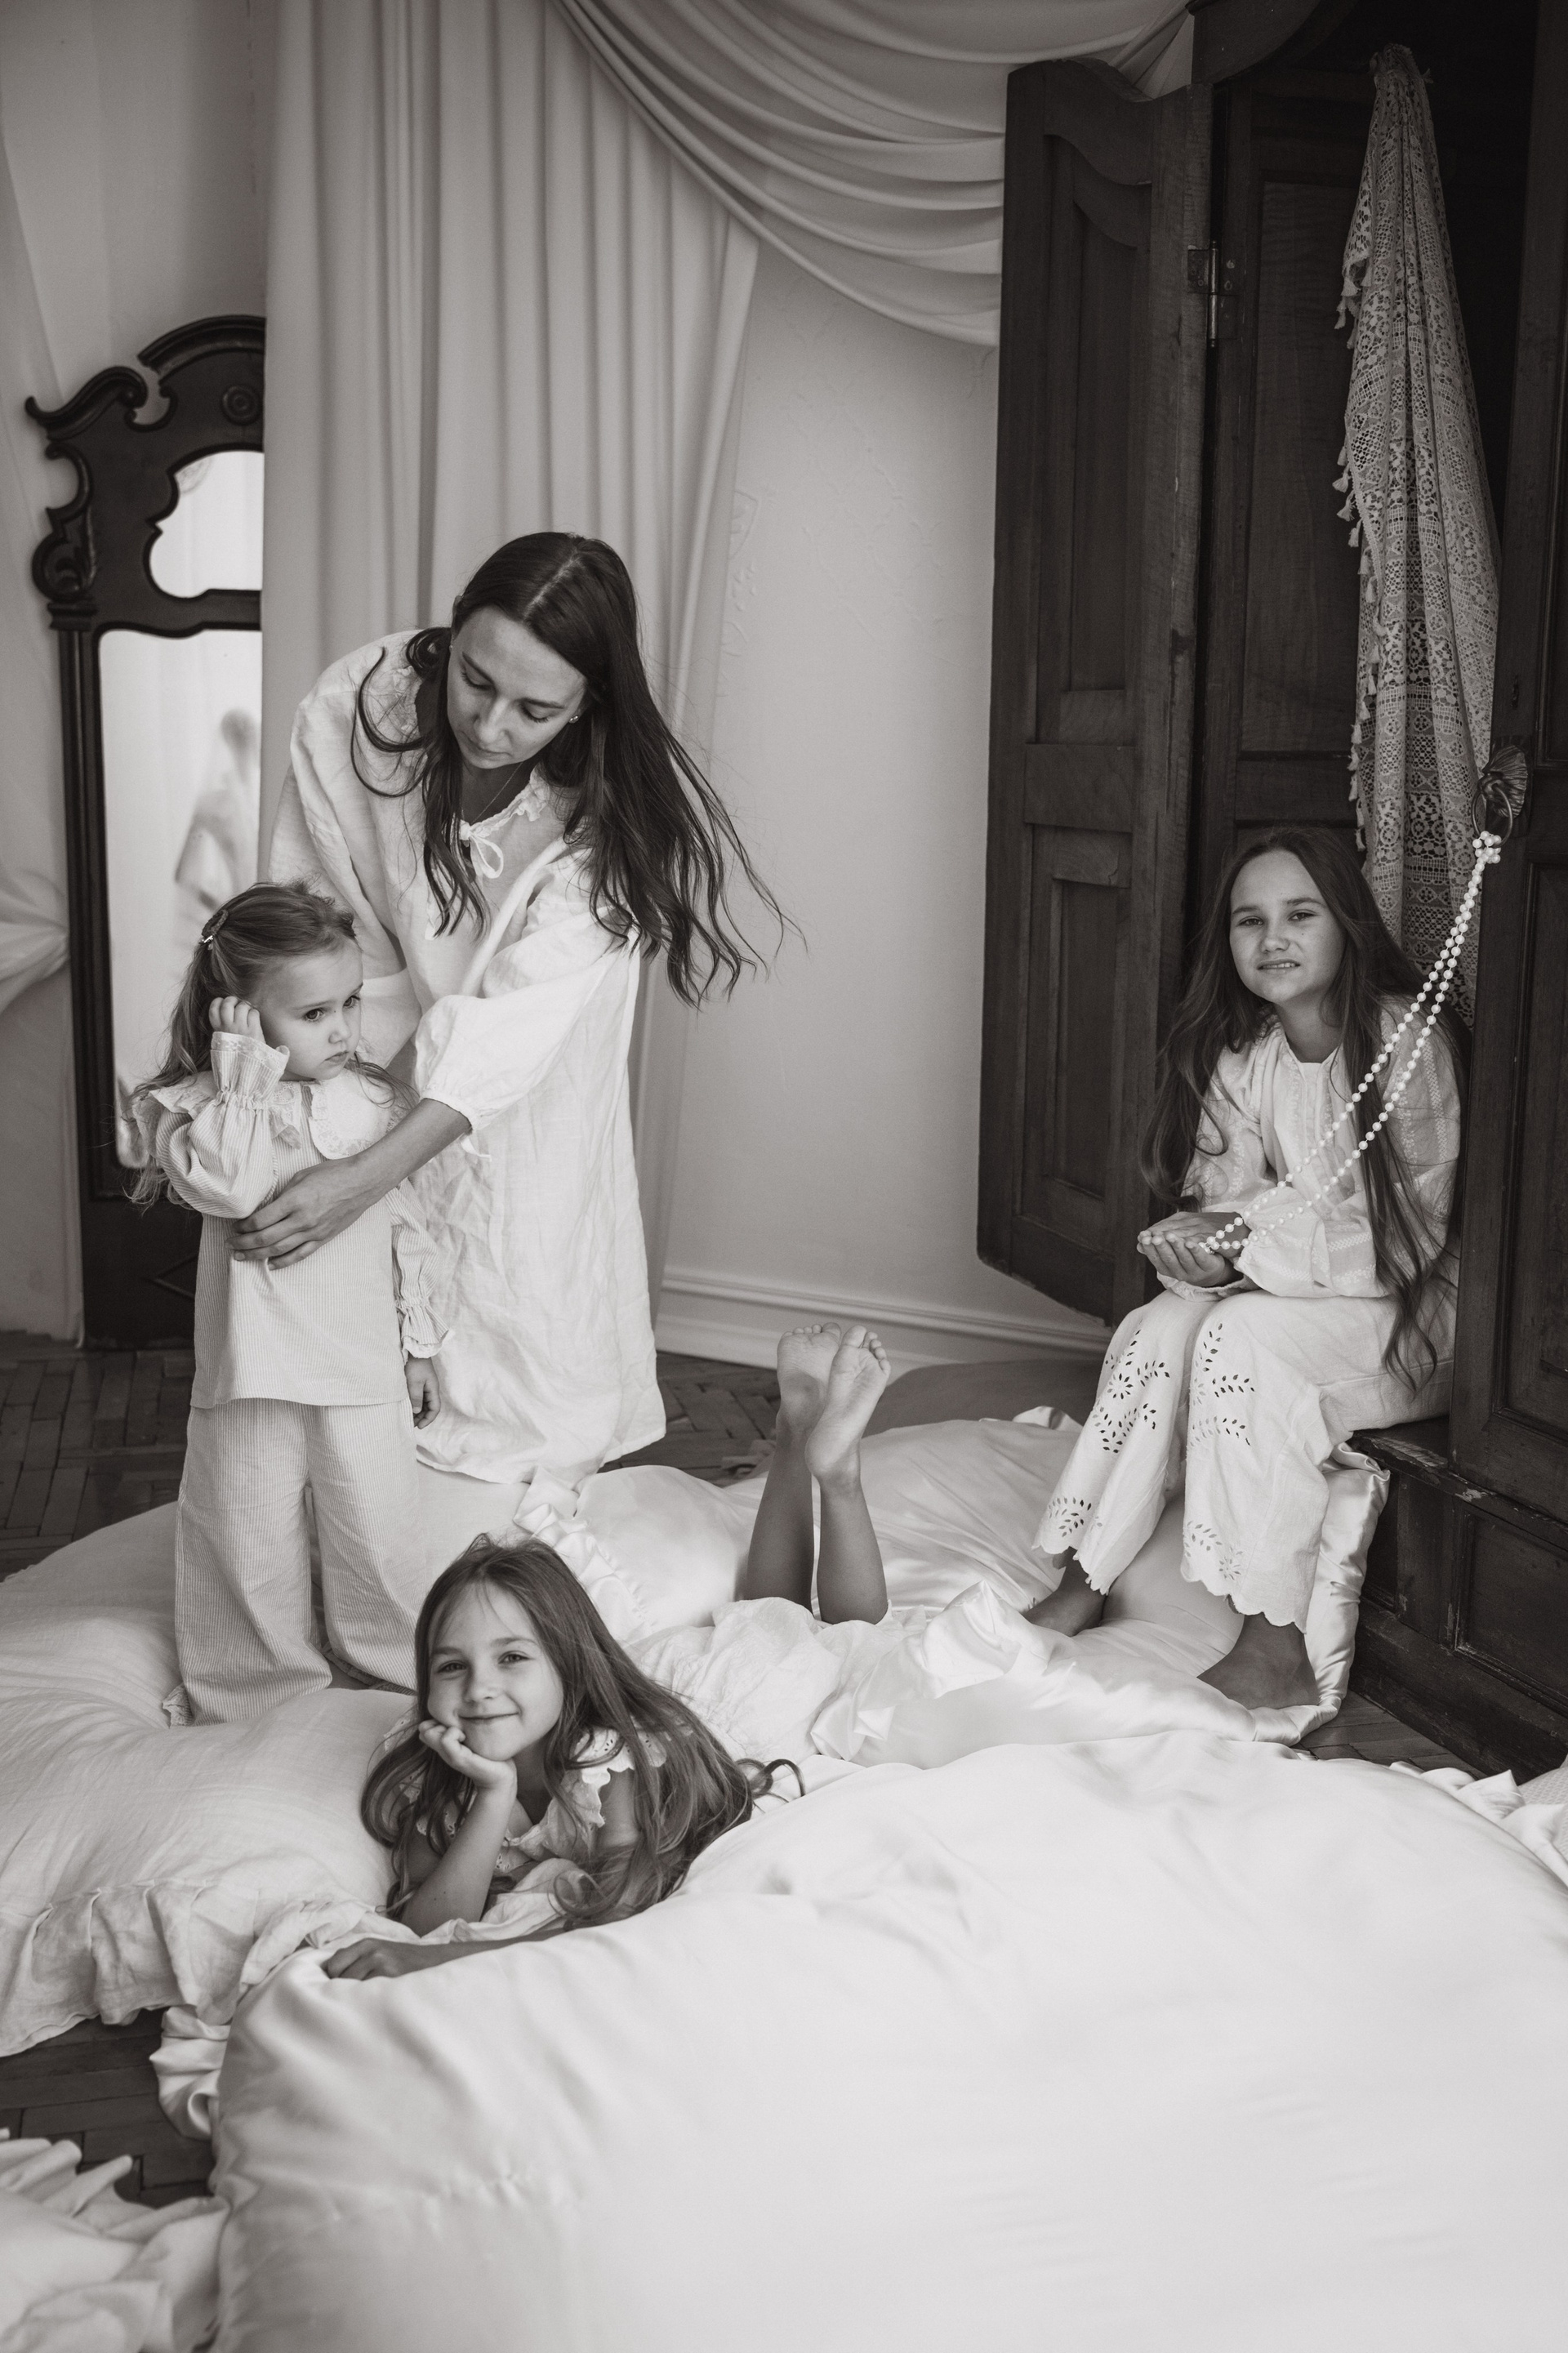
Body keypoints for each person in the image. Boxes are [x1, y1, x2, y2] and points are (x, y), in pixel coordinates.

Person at [248, 532, 780, 1490]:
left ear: (587, 705)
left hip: (534, 1084)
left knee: (528, 1355)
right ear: (452, 633)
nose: (490, 726)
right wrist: (328, 1104)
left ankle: (528, 1557)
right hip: (366, 1047)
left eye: (535, 710)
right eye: (475, 679)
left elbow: (507, 1030)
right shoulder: (360, 704)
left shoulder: (609, 828)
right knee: (363, 1382)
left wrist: (366, 1176)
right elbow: (317, 912)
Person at [1026, 828, 1466, 1714]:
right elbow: (1231, 1202)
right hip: (1296, 1289)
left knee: (1240, 1340)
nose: (1274, 939)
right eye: (1250, 920)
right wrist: (1202, 1250)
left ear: (1346, 923)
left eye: (1301, 915)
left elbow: (1405, 1242)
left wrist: (1243, 1245)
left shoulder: (1406, 1042)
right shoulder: (1247, 1049)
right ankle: (1087, 1570)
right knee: (1159, 1324)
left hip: (1414, 1311)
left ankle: (1277, 1643)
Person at [326, 1322, 893, 1979]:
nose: (478, 1688)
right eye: (452, 1665)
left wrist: (457, 1957)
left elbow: (618, 1916)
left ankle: (832, 1468)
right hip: (671, 1678)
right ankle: (795, 1430)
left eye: (511, 1657)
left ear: (566, 1665)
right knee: (770, 1612)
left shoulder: (609, 1759)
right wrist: (494, 1792)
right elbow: (424, 1925)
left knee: (832, 1634)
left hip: (739, 1704)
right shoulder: (440, 1769)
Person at [130, 884, 443, 1722]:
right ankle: (255, 1686)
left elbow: (409, 1226)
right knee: (245, 1533)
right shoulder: (203, 1109)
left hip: (360, 1362)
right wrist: (240, 1070)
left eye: (350, 1002)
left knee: (377, 1531)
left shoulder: (378, 1103)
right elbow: (229, 1189)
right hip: (253, 1368)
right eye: (313, 1013)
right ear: (237, 1012)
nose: (343, 1030)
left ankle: (396, 1666)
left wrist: (418, 1344)